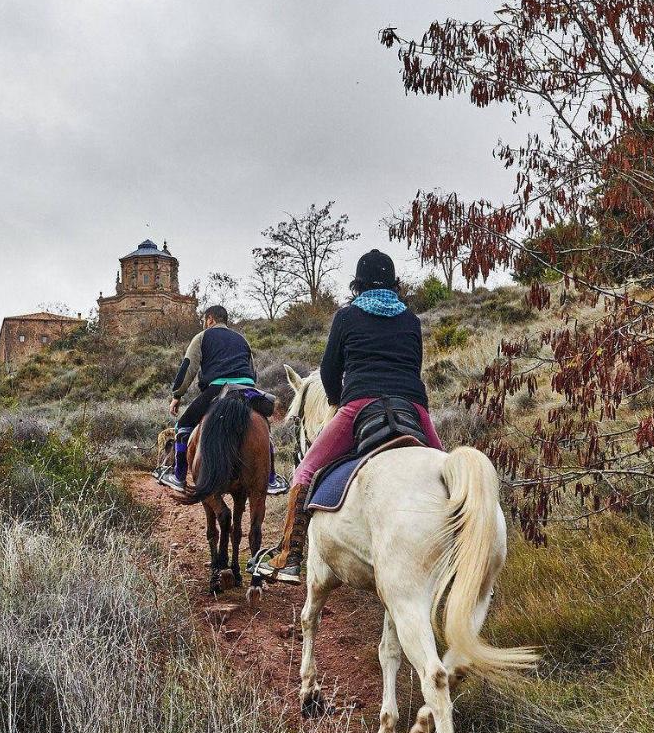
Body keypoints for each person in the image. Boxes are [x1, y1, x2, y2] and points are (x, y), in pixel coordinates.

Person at [253, 250, 443, 584]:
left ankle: (290, 557)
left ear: (358, 285)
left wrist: (341, 402)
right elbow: (414, 368)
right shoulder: (411, 320)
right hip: (412, 408)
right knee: (449, 468)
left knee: (305, 470)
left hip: (359, 404)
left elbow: (329, 371)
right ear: (394, 284)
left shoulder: (346, 317)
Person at [156, 305, 290, 495]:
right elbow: (253, 371)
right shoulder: (242, 339)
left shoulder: (203, 337)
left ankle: (178, 476)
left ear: (210, 319)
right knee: (264, 429)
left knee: (183, 426)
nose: (204, 323)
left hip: (218, 389)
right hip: (248, 390)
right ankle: (270, 479)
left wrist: (177, 395)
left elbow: (188, 367)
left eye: (204, 320)